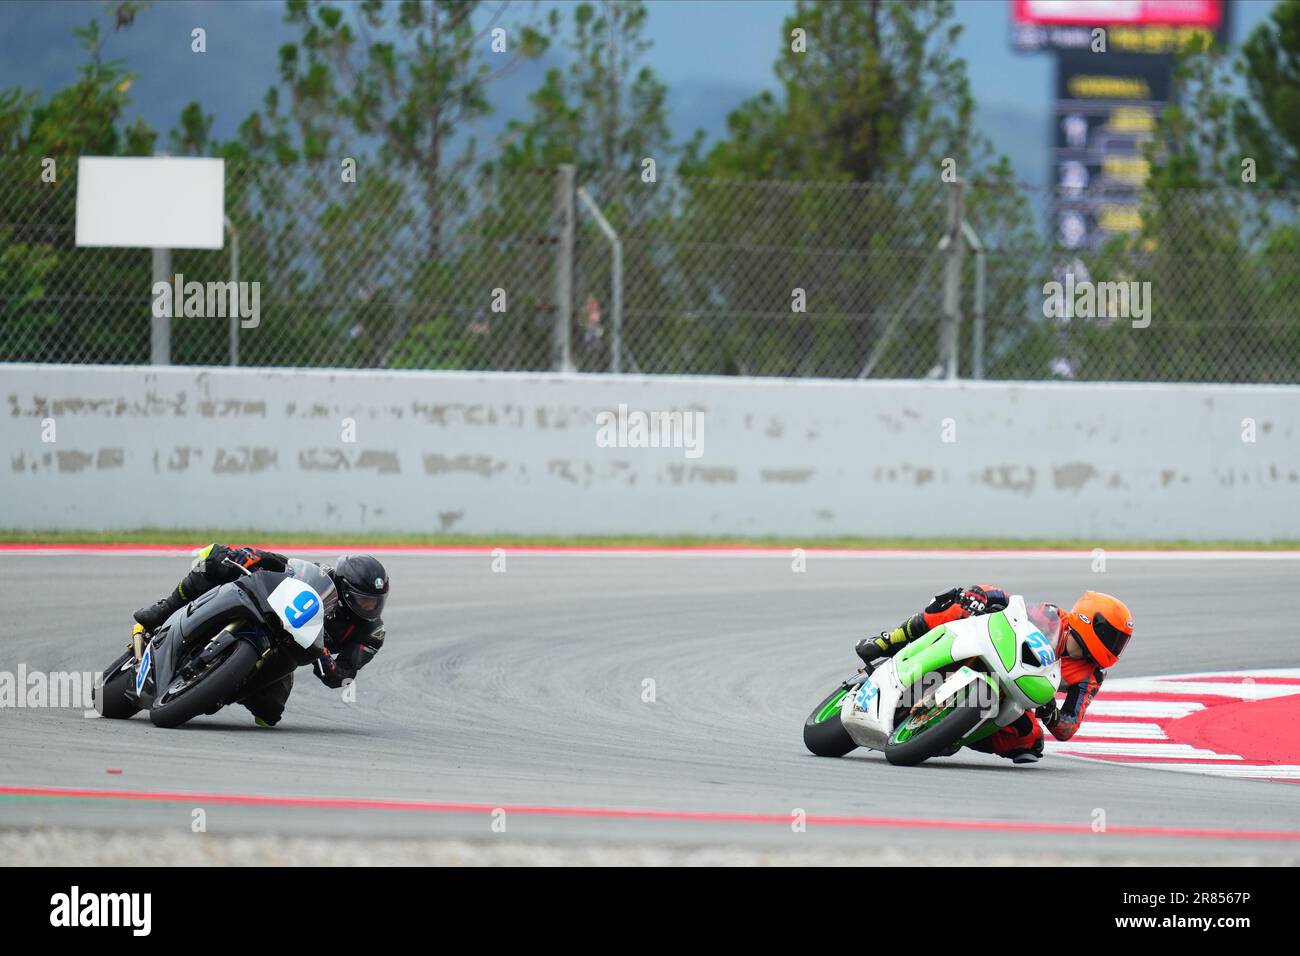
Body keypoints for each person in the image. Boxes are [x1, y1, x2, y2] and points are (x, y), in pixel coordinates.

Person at [855, 586, 1134, 764]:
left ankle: (955, 733)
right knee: (955, 604)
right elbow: (1009, 601)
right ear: (1090, 623)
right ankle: (889, 639)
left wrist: (1051, 714)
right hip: (989, 650)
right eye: (1113, 638)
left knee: (1031, 741)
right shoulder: (1051, 616)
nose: (1114, 647)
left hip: (1011, 690)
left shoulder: (1091, 675)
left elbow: (1069, 726)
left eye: (1120, 642)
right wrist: (981, 595)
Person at [131, 543, 389, 726]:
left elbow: (343, 676)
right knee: (217, 561)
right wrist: (251, 555)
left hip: (289, 652)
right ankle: (163, 609)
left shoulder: (371, 632)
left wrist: (325, 660)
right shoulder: (325, 576)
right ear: (344, 588)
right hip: (265, 611)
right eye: (363, 600)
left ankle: (217, 687)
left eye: (375, 602)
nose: (370, 607)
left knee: (270, 714)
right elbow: (282, 564)